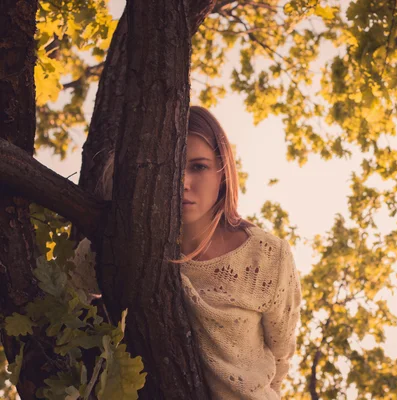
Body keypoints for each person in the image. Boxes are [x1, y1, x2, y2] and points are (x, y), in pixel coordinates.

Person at [72, 106, 302, 399]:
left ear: (222, 172)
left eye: (199, 166)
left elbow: (281, 355)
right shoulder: (121, 243)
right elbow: (64, 297)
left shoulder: (266, 256)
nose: (183, 182)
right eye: (169, 168)